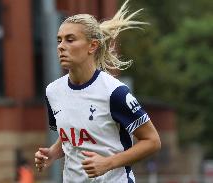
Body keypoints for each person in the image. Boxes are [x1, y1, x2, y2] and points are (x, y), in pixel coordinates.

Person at [34, 0, 161, 182]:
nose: (61, 46)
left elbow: (152, 141)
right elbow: (72, 135)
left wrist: (108, 163)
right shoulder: (53, 91)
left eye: (70, 40)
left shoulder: (114, 92)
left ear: (92, 46)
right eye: (59, 40)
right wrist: (53, 152)